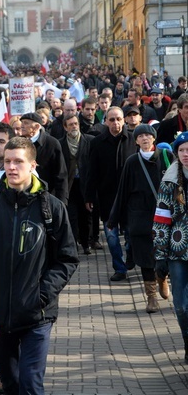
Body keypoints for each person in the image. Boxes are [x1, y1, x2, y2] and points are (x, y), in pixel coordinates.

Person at [0, 137, 78, 395]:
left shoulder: (52, 208)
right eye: (7, 161)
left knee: (30, 385)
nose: (12, 167)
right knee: (11, 384)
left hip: (36, 315)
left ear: (33, 165)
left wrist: (42, 295)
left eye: (18, 161)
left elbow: (67, 258)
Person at [108, 124, 174, 313]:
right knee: (145, 258)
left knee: (165, 253)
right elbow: (122, 192)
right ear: (136, 140)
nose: (145, 139)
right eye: (141, 136)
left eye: (148, 135)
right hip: (139, 217)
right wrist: (113, 220)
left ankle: (162, 277)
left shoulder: (166, 157)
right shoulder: (132, 162)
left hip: (164, 215)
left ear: (154, 138)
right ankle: (151, 296)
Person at [85, 106, 137, 281]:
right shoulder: (97, 142)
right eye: (112, 119)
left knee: (130, 233)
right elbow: (92, 172)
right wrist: (89, 196)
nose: (116, 123)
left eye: (119, 119)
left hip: (130, 197)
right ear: (106, 121)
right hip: (107, 198)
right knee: (112, 237)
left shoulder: (133, 140)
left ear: (124, 120)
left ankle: (131, 254)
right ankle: (119, 268)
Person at [153, 131, 188, 363]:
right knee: (183, 307)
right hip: (178, 253)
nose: (186, 154)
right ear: (176, 153)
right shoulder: (169, 180)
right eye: (182, 150)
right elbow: (161, 219)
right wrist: (160, 255)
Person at [59, 114, 94, 254]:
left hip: (85, 184)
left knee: (85, 216)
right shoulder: (60, 143)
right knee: (71, 216)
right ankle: (73, 245)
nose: (74, 126)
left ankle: (86, 243)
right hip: (69, 185)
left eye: (75, 123)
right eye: (70, 124)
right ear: (65, 127)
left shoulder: (89, 141)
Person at [20, 112, 68, 204]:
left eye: (25, 123)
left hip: (47, 197)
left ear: (37, 127)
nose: (22, 126)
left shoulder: (52, 143)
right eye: (22, 122)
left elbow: (61, 174)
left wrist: (62, 202)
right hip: (23, 197)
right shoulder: (18, 142)